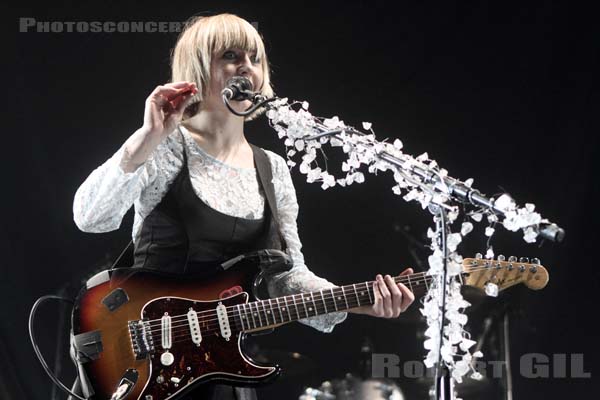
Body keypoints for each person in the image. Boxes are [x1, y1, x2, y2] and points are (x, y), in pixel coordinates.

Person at [73, 13, 415, 400]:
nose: (246, 68)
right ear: (197, 69)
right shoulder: (166, 146)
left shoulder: (273, 169)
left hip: (223, 374)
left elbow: (287, 276)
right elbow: (91, 217)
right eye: (231, 56)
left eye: (255, 58)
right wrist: (147, 137)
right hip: (144, 363)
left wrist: (357, 302)